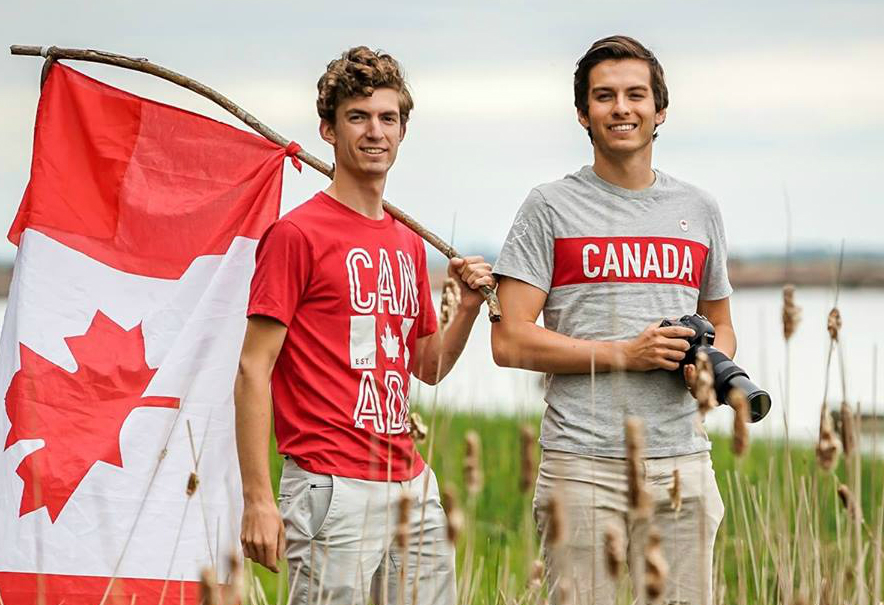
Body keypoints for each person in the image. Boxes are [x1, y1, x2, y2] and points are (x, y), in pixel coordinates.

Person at [235, 46, 494, 605]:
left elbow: (426, 367)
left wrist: (466, 308)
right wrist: (258, 497)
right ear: (328, 129)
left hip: (410, 484)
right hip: (331, 486)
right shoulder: (296, 235)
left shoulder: (404, 240)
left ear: (402, 130)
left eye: (387, 118)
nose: (374, 132)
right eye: (358, 117)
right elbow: (253, 369)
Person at [491, 35, 734, 605]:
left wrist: (706, 372)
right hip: (581, 464)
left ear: (660, 111)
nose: (621, 108)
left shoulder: (698, 210)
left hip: (683, 463)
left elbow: (722, 324)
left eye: (635, 95)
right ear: (583, 114)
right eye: (604, 97)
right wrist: (627, 354)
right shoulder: (549, 207)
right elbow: (508, 339)